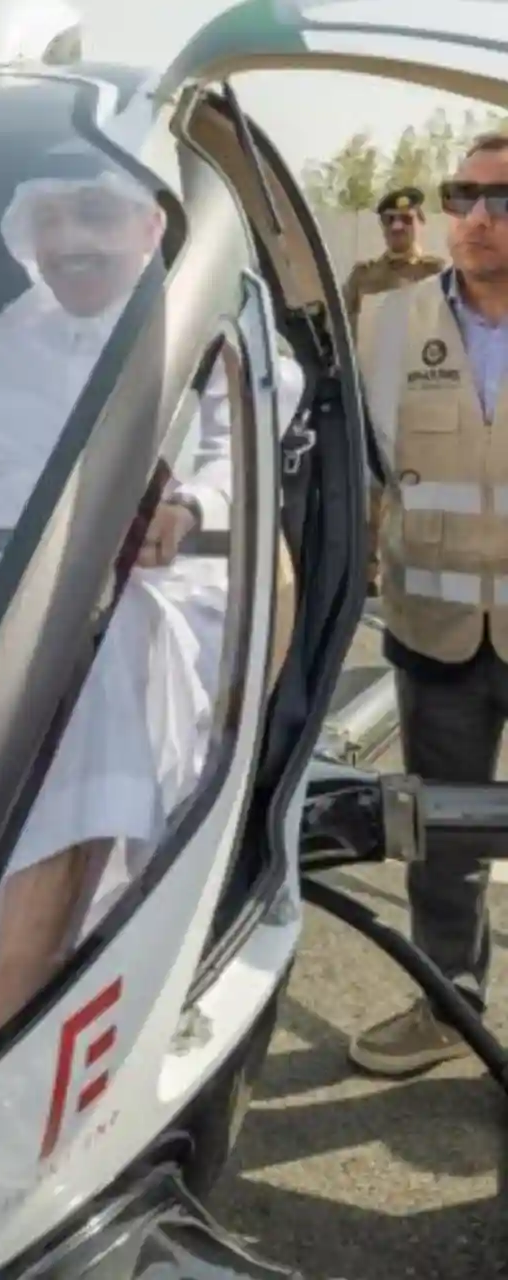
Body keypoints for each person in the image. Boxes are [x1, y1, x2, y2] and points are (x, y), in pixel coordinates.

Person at [351, 134, 508, 1078]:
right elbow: (364, 471)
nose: (481, 217)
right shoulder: (389, 323)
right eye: (466, 196)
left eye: (505, 199)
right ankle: (452, 1003)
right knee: (443, 836)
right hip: (436, 631)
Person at [344, 185, 445, 332]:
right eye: (389, 219)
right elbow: (343, 331)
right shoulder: (361, 276)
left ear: (421, 222)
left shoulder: (436, 273)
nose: (397, 226)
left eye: (406, 219)